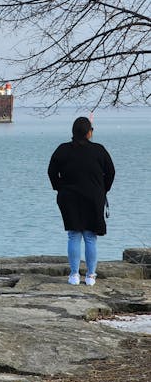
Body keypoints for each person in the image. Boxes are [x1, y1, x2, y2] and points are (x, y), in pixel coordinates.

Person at [48, 116, 115, 286]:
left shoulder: (62, 149)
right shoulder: (99, 150)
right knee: (90, 236)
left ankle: (74, 275)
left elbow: (51, 171)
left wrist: (59, 187)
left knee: (74, 235)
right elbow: (111, 172)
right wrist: (103, 189)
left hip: (69, 196)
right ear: (88, 133)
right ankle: (91, 276)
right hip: (94, 197)